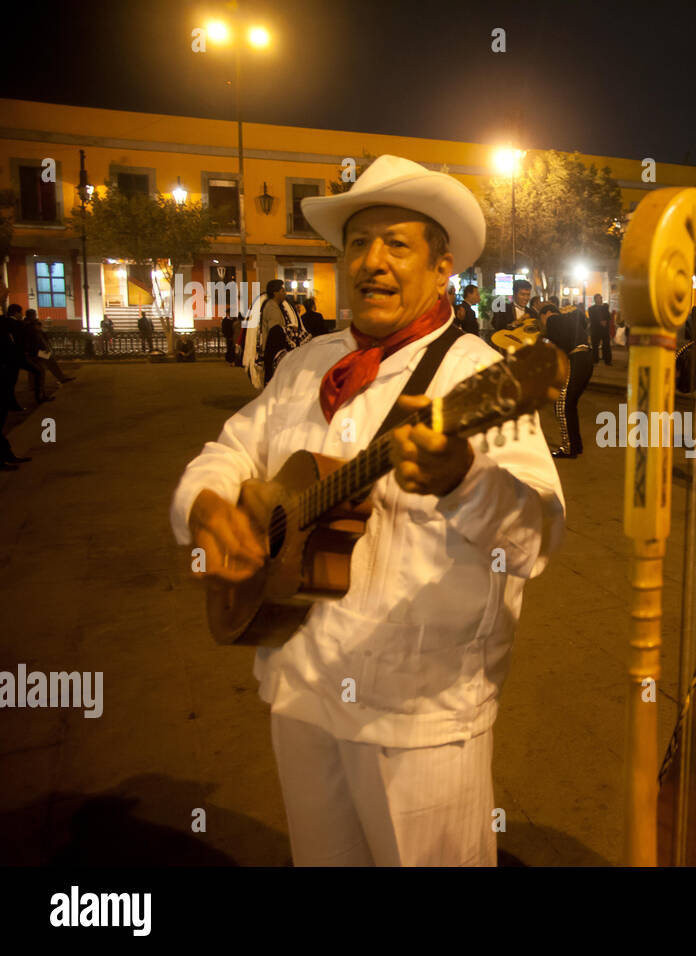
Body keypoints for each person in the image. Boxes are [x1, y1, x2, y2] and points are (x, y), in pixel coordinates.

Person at [171, 154, 565, 866]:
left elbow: (534, 536)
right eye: (358, 243)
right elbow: (228, 449)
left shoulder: (477, 375)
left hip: (416, 714)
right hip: (298, 683)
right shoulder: (306, 363)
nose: (372, 262)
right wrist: (205, 507)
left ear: (442, 266)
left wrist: (462, 479)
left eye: (397, 244)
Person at [543, 301, 594, 458]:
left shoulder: (553, 320)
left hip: (576, 359)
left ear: (546, 314)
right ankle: (575, 444)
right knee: (570, 404)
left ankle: (568, 447)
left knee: (562, 403)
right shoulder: (571, 320)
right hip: (587, 359)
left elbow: (559, 348)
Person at [23, 310, 74, 390]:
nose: (35, 316)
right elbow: (33, 338)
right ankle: (35, 385)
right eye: (34, 315)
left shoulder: (32, 324)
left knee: (49, 362)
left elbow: (41, 336)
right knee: (37, 367)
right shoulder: (27, 325)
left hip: (38, 350)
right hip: (34, 350)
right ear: (31, 315)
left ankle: (61, 377)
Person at [587, 293, 612, 365]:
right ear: (595, 300)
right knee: (595, 345)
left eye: (600, 298)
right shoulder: (591, 308)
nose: (599, 300)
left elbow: (608, 316)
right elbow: (592, 318)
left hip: (605, 329)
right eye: (597, 298)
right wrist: (600, 322)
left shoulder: (605, 307)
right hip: (595, 329)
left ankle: (607, 360)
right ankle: (595, 360)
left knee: (606, 345)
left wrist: (605, 321)